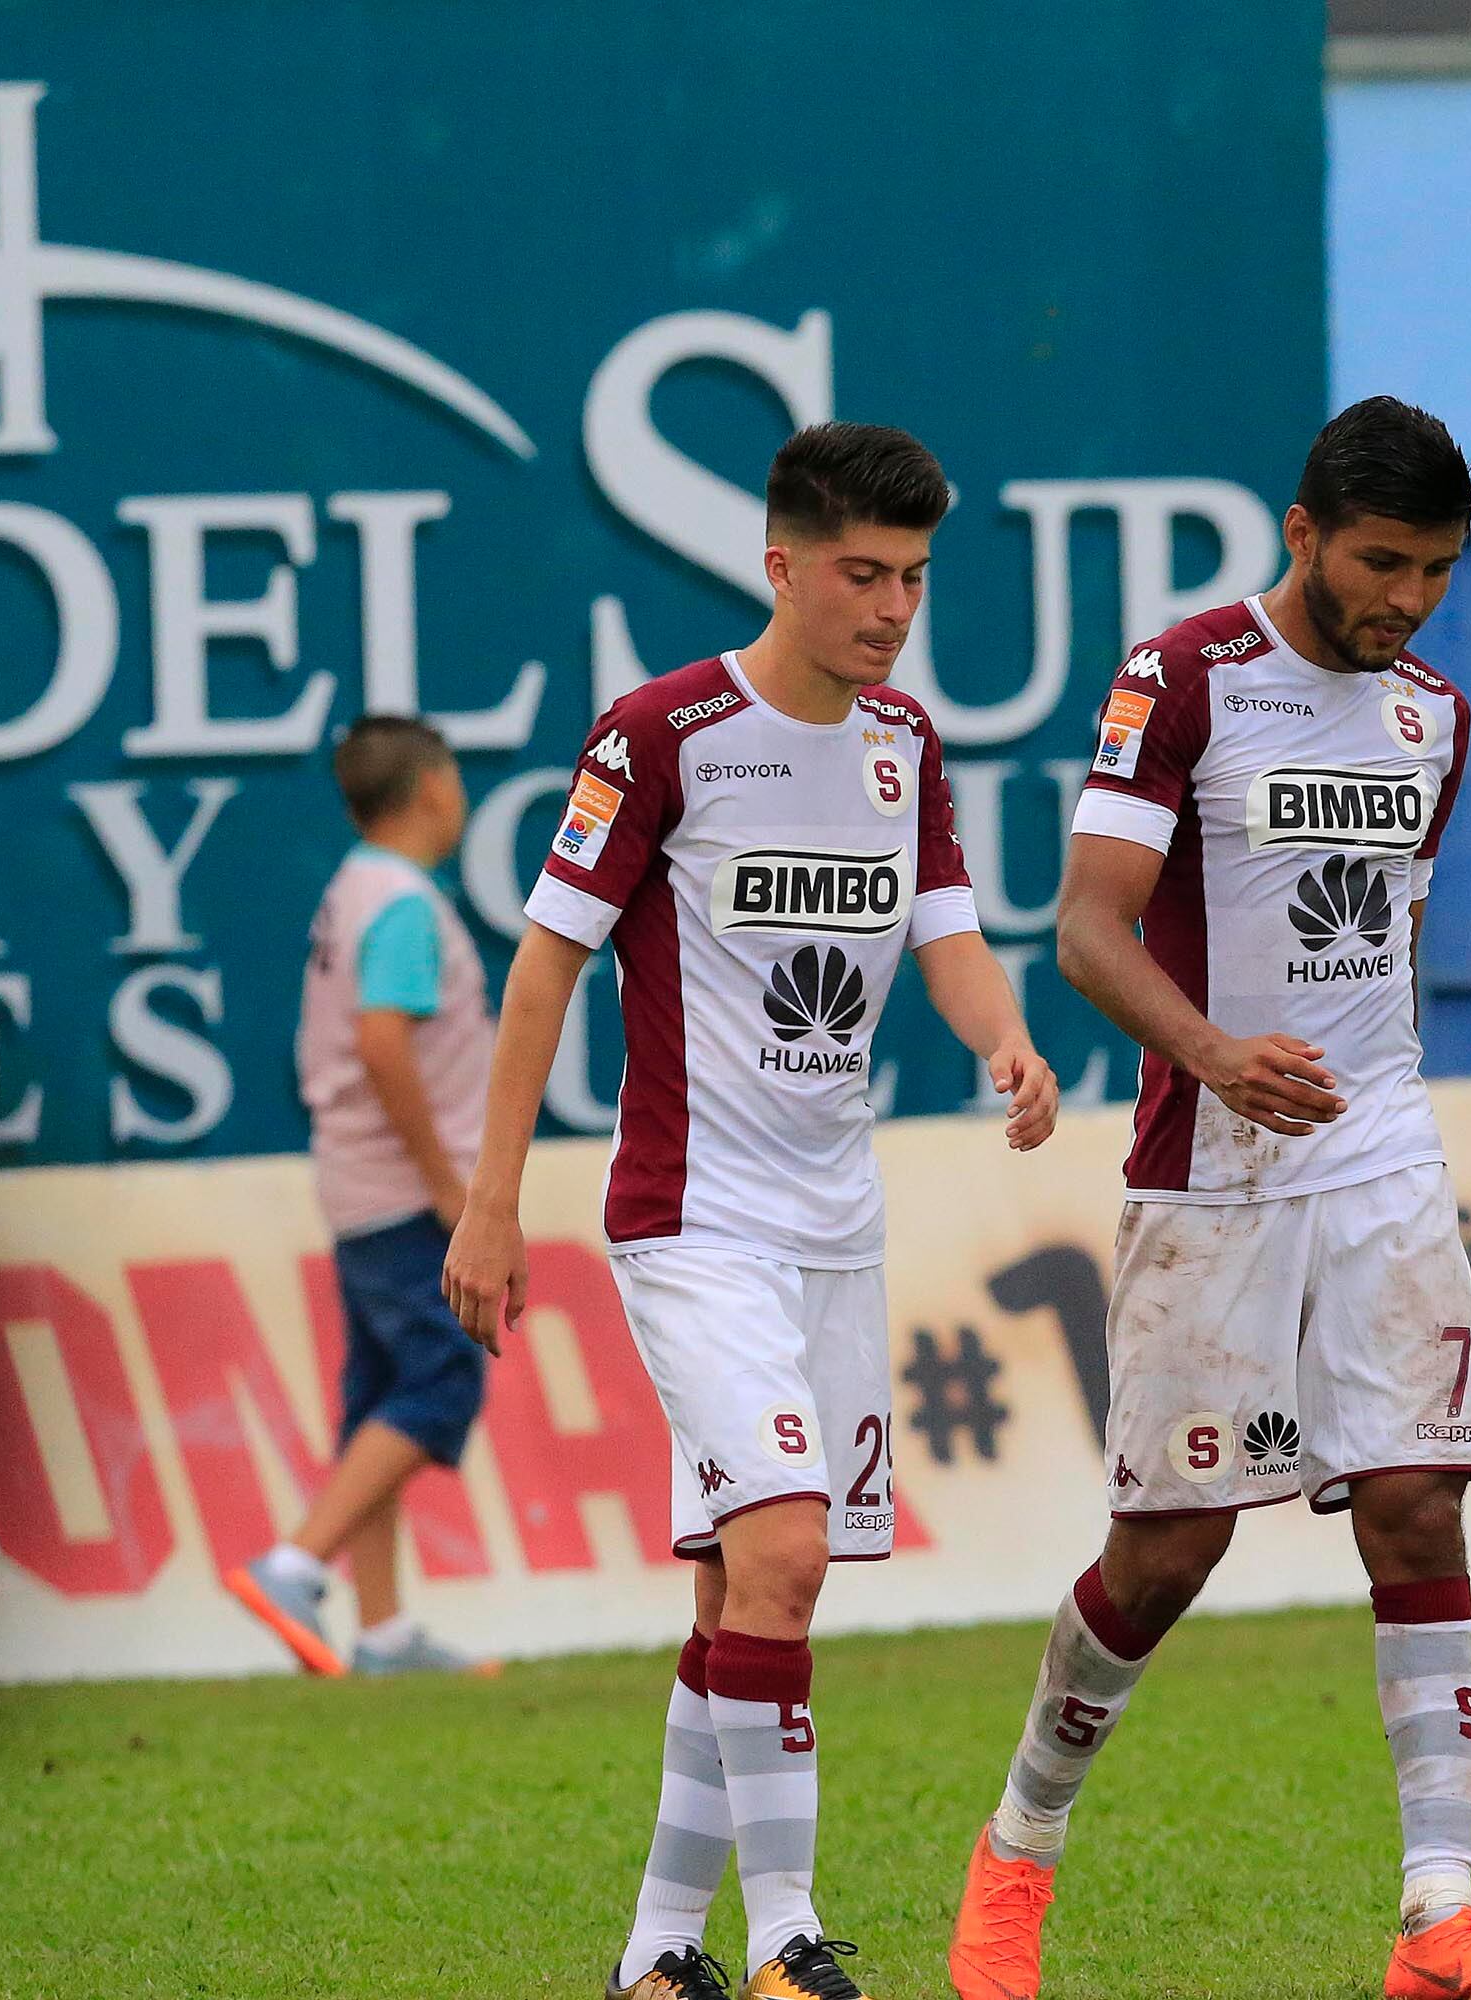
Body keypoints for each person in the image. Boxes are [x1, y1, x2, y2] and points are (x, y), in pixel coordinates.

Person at [945, 398, 1471, 2000]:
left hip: (1381, 1161)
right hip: (1211, 1176)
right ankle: (1018, 1848)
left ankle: (1441, 1913)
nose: (1409, 600)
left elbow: (1383, 939)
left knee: (1417, 1501)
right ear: (1303, 534)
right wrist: (1217, 1054)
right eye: (1383, 563)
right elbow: (1088, 931)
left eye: (1436, 571)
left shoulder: (1434, 717)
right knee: (1168, 1556)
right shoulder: (1183, 678)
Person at [442, 422, 1060, 2000]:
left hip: (835, 1230)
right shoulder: (663, 734)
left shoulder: (905, 743)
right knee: (783, 1551)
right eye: (862, 575)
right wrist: (492, 1203)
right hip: (694, 1216)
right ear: (781, 566)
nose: (893, 609)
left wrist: (1003, 1037)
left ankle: (659, 1958)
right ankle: (787, 1938)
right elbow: (544, 966)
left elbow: (948, 934)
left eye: (914, 577)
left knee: (742, 1588)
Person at [225, 716, 497, 1679]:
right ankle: (294, 1566)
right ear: (431, 790)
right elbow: (384, 1042)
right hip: (402, 1193)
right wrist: (446, 1184)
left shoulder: (354, 886)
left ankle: (381, 1634)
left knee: (379, 1397)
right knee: (441, 1379)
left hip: (356, 1186)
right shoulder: (405, 903)